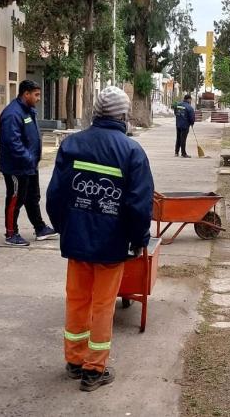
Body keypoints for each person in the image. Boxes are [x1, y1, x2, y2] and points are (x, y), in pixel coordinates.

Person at [46, 86, 155, 391]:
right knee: (103, 304)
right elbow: (138, 204)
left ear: (95, 112)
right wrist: (138, 240)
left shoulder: (72, 145)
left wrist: (63, 227)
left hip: (77, 242)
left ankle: (74, 360)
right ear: (123, 115)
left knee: (78, 300)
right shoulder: (132, 152)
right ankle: (94, 370)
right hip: (111, 246)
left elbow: (55, 196)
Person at [0, 80, 59, 246]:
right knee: (15, 198)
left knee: (32, 197)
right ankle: (11, 233)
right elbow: (13, 143)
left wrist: (32, 160)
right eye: (36, 95)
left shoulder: (28, 111)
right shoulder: (12, 114)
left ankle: (40, 228)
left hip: (29, 165)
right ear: (26, 94)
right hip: (16, 167)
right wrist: (28, 158)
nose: (39, 98)